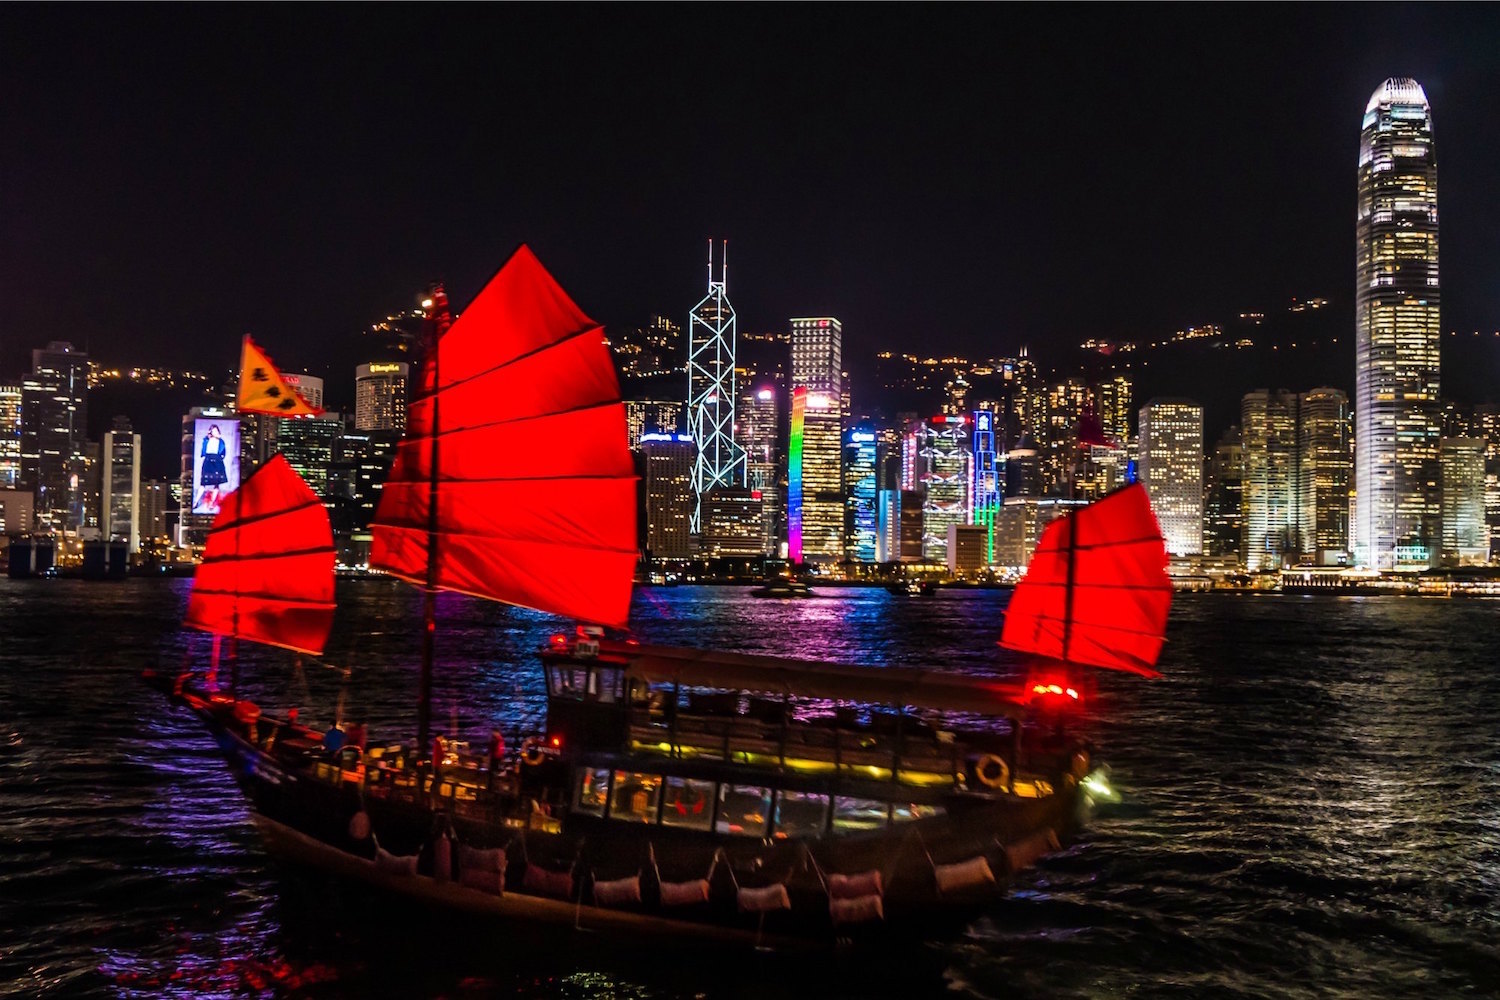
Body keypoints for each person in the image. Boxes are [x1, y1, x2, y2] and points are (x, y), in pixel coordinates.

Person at [198, 424, 229, 510]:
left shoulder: (221, 441)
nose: (215, 432)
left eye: (216, 431)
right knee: (203, 482)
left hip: (217, 461)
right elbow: (204, 448)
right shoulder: (206, 439)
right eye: (213, 431)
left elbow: (223, 452)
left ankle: (212, 502)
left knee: (217, 483)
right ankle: (196, 501)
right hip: (208, 460)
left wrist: (220, 458)